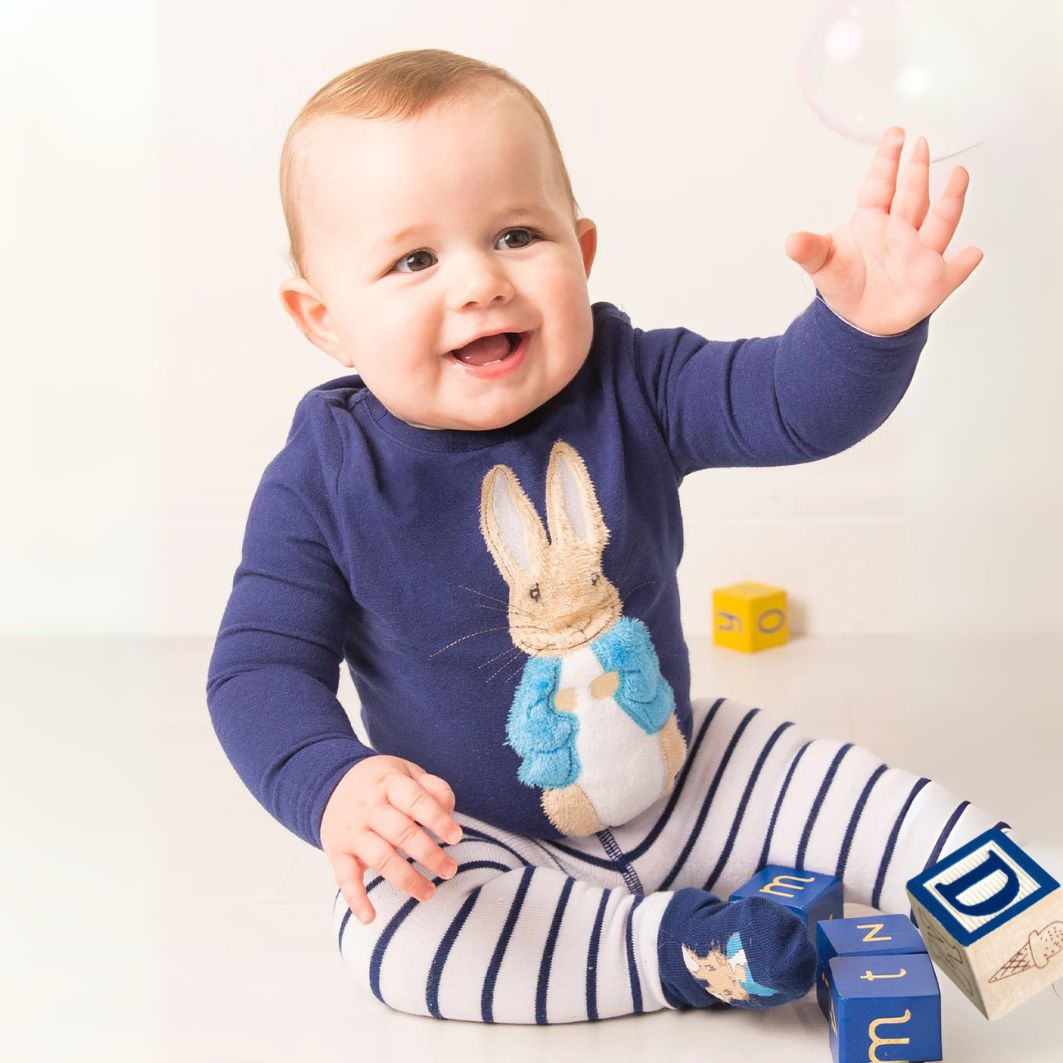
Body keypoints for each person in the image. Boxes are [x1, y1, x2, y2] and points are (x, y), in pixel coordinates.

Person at [206, 48, 1004, 1024]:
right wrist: (336, 784)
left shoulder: (633, 379)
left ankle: (1029, 938)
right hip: (482, 834)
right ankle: (687, 951)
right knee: (395, 940)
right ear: (322, 318)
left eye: (515, 234)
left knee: (866, 795)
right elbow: (257, 670)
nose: (479, 284)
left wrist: (860, 331)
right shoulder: (324, 476)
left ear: (581, 250)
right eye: (415, 259)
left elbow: (789, 405)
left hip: (691, 776)